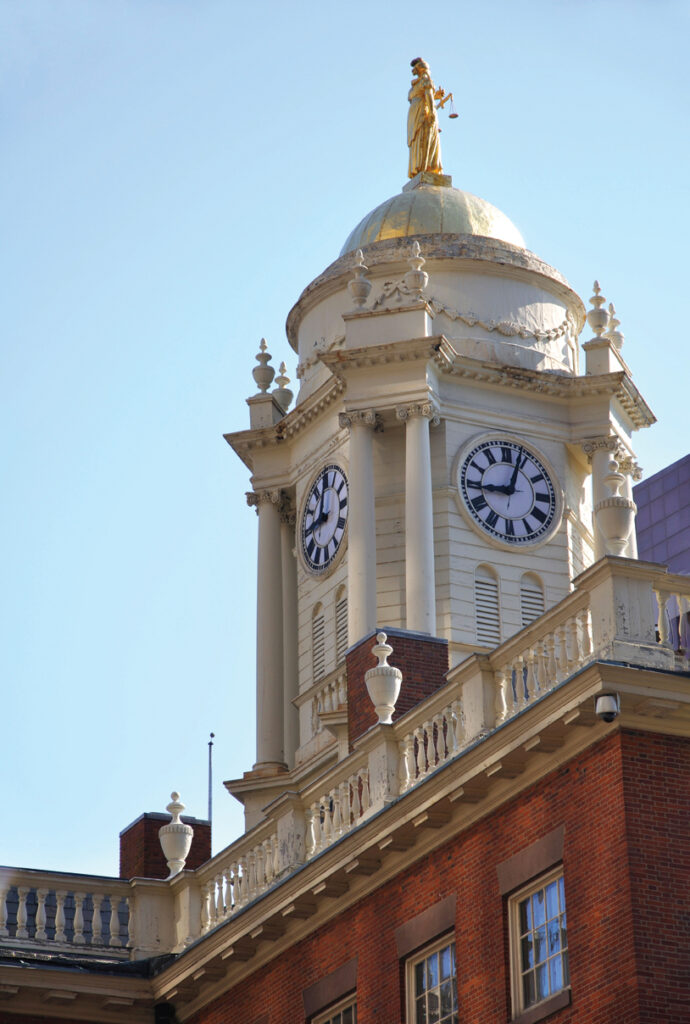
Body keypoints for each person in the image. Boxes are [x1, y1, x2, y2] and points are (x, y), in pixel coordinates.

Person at [407, 58, 445, 178]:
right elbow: (427, 94)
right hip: (421, 112)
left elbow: (425, 95)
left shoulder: (416, 85)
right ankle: (425, 166)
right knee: (423, 135)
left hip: (415, 113)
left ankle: (421, 166)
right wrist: (432, 111)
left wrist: (435, 97)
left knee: (419, 137)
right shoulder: (424, 80)